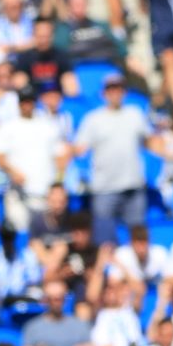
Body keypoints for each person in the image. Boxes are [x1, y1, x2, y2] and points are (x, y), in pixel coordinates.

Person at [73, 75, 153, 249]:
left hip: (133, 186)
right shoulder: (93, 119)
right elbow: (79, 148)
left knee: (137, 239)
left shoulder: (135, 114)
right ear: (103, 93)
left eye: (118, 89)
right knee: (104, 241)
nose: (115, 93)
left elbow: (150, 142)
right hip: (105, 188)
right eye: (111, 89)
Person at [0, 86, 67, 233]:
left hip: (45, 194)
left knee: (46, 234)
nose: (26, 105)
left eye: (29, 101)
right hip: (19, 194)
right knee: (21, 232)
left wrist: (58, 183)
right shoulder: (7, 127)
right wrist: (13, 172)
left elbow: (60, 156)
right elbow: (0, 158)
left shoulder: (48, 125)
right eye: (23, 102)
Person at [22, 281, 94, 346]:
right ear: (45, 300)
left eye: (60, 298)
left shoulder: (80, 325)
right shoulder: (32, 327)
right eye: (52, 299)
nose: (56, 303)